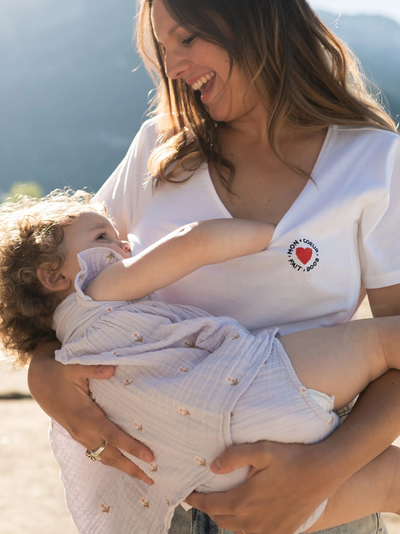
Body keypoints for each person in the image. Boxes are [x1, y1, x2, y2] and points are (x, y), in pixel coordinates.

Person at [27, 0, 400, 533]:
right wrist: (44, 372)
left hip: (312, 500)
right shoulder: (159, 150)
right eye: (164, 48)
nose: (174, 67)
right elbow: (71, 288)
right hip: (166, 502)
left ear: (254, 19)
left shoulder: (375, 162)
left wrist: (318, 473)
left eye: (187, 39)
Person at [2, 191, 400, 534]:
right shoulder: (98, 288)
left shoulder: (69, 359)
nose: (126, 247)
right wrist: (282, 234)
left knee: (388, 484)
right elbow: (194, 242)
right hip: (247, 390)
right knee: (384, 345)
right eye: (104, 236)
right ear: (54, 276)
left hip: (219, 484)